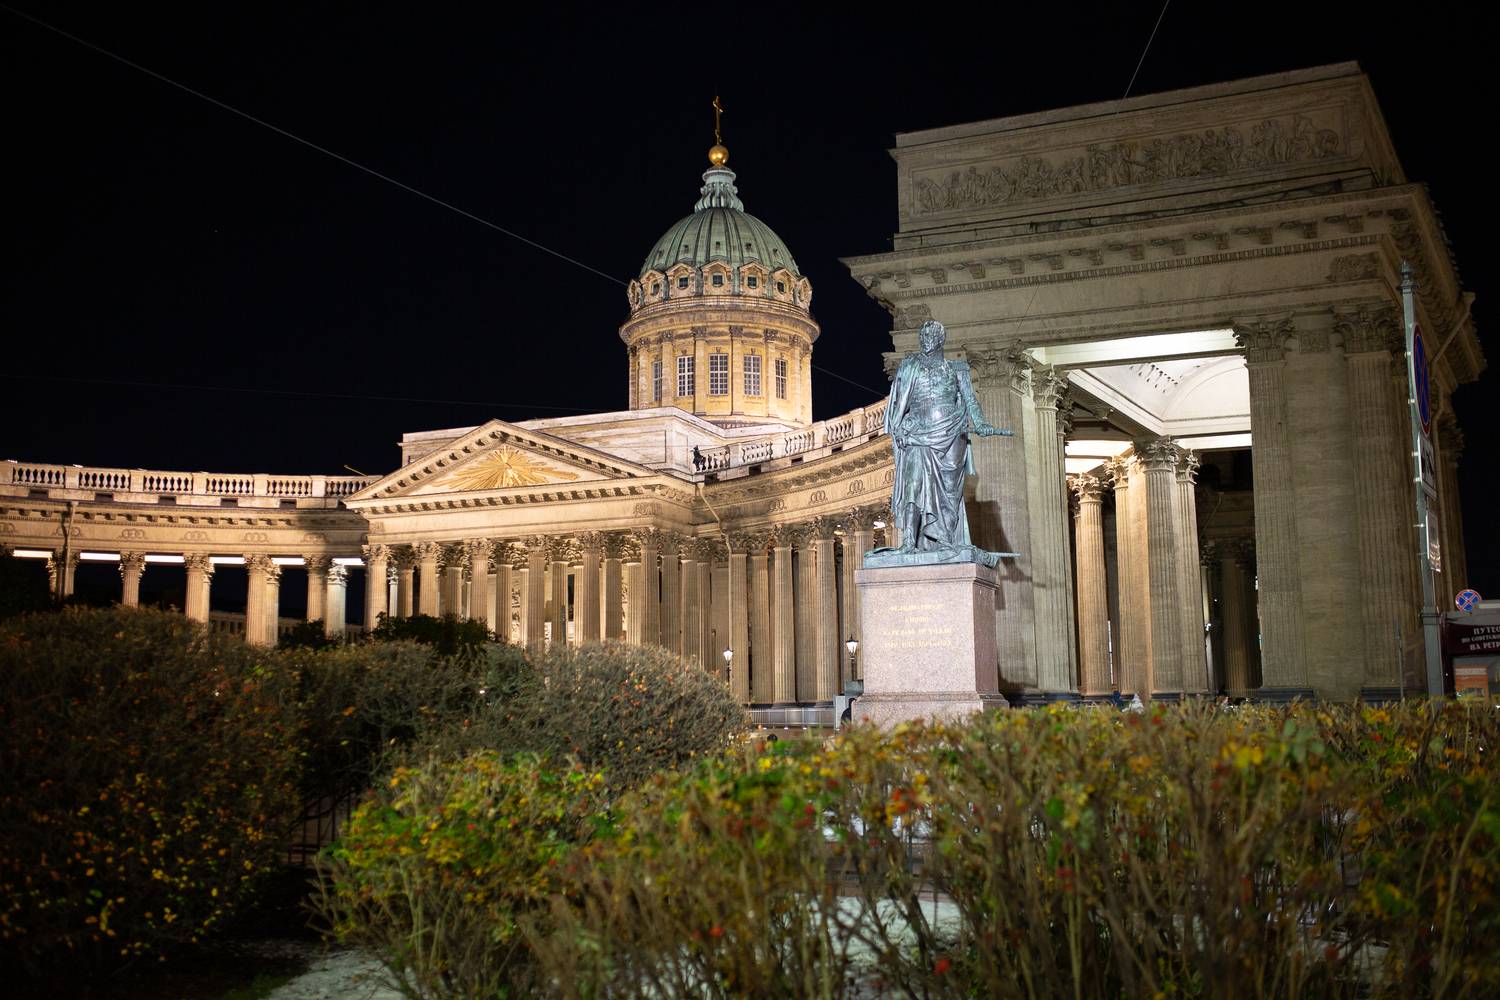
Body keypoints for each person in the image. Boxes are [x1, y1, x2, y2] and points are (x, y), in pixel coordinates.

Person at [882, 320, 1010, 562]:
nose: (925, 340)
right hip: (917, 434)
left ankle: (944, 539)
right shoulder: (910, 367)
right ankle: (908, 541)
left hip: (951, 434)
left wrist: (981, 422)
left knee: (950, 492)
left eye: (930, 336)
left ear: (941, 340)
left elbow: (970, 400)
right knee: (912, 486)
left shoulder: (957, 368)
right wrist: (900, 427)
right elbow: (899, 403)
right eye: (923, 336)